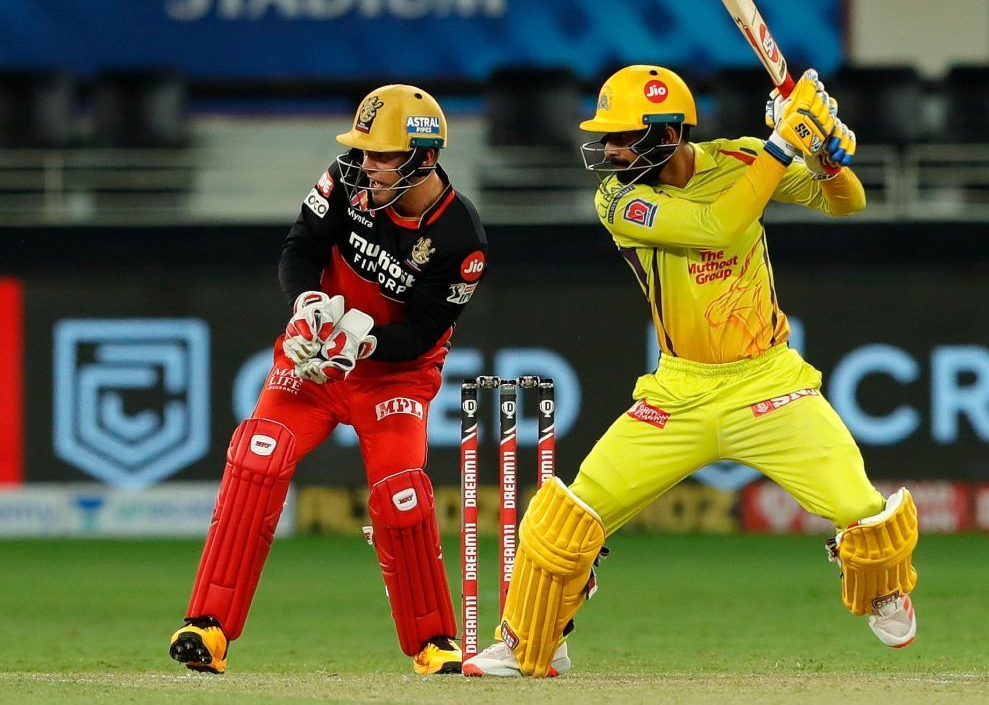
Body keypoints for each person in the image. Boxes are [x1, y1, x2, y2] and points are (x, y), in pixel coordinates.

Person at [463, 65, 919, 678]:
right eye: (609, 138)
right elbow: (716, 228)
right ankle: (531, 641)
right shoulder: (619, 197)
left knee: (863, 511)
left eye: (624, 137)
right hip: (678, 392)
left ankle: (885, 589)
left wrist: (826, 158)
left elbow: (849, 203)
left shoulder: (739, 157)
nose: (611, 150)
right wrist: (786, 144)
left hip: (771, 385)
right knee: (568, 515)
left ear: (669, 133)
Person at [169, 84, 486, 676]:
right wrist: (309, 303)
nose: (365, 165)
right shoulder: (344, 180)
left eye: (381, 155)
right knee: (258, 454)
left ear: (425, 156)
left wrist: (362, 342)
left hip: (393, 376)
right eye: (363, 151)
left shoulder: (461, 238)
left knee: (401, 492)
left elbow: (421, 334)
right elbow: (300, 248)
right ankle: (206, 628)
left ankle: (434, 642)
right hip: (313, 358)